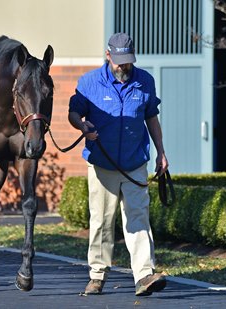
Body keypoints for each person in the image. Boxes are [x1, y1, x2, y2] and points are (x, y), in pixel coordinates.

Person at [68, 32, 169, 296]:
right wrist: (82, 125)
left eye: (127, 61)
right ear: (108, 55)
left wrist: (161, 152)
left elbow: (152, 119)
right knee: (101, 220)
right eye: (119, 61)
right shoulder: (89, 82)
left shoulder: (145, 81)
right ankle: (97, 275)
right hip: (102, 164)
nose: (124, 66)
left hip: (135, 163)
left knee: (138, 218)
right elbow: (74, 112)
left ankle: (144, 275)